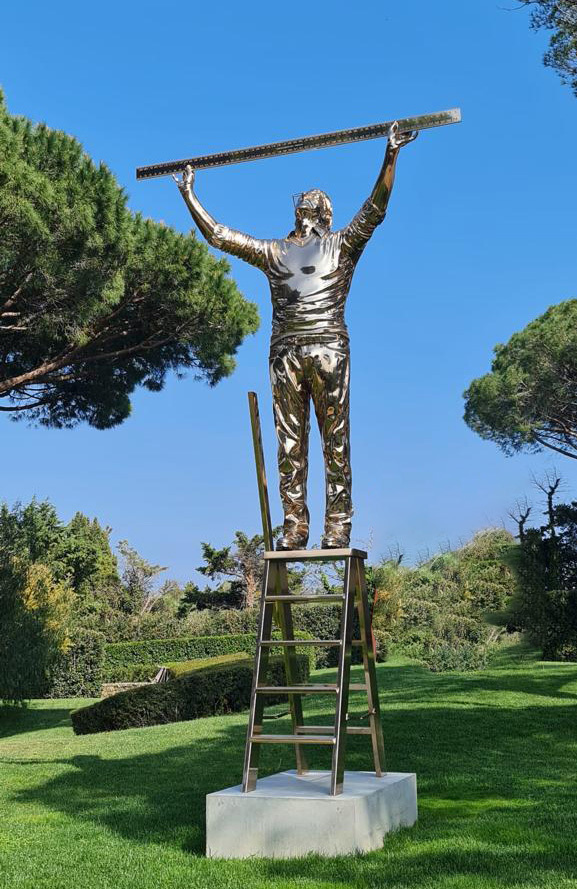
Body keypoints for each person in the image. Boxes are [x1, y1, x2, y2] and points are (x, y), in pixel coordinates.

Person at [175, 122, 417, 550]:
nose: (306, 205)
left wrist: (391, 155)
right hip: (288, 353)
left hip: (324, 347)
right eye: (304, 203)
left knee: (331, 439)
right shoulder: (276, 251)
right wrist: (189, 194)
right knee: (292, 444)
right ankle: (296, 527)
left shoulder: (340, 245)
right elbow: (219, 236)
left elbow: (375, 209)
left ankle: (336, 525)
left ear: (320, 214)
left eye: (312, 203)